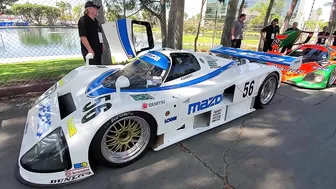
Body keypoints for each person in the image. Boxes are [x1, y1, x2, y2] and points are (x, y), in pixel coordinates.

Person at [78, 1, 104, 65]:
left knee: (98, 68)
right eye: (95, 8)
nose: (97, 10)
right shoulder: (83, 20)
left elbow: (99, 33)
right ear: (89, 9)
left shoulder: (96, 21)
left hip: (98, 50)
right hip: (90, 51)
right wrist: (89, 49)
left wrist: (102, 44)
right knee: (92, 69)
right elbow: (83, 36)